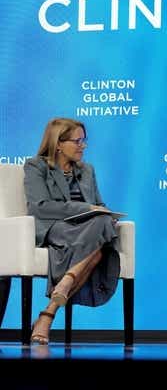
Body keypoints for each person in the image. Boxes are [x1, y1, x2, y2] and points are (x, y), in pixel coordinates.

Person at [24, 118, 121, 344]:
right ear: (58, 144)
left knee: (104, 224)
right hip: (54, 228)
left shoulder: (87, 170)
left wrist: (104, 214)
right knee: (99, 242)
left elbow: (99, 204)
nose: (83, 146)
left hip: (87, 229)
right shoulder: (36, 166)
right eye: (77, 141)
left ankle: (51, 309)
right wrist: (87, 209)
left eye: (84, 141)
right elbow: (40, 207)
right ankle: (56, 300)